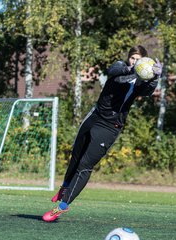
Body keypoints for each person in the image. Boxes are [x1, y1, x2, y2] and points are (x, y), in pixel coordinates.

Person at [42, 45, 162, 222]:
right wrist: (130, 69)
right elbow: (114, 72)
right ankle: (65, 186)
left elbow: (147, 91)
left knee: (85, 164)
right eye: (133, 58)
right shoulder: (120, 68)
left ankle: (61, 207)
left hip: (110, 127)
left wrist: (155, 77)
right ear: (128, 59)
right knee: (76, 155)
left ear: (145, 62)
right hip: (94, 116)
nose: (135, 62)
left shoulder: (140, 82)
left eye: (138, 60)